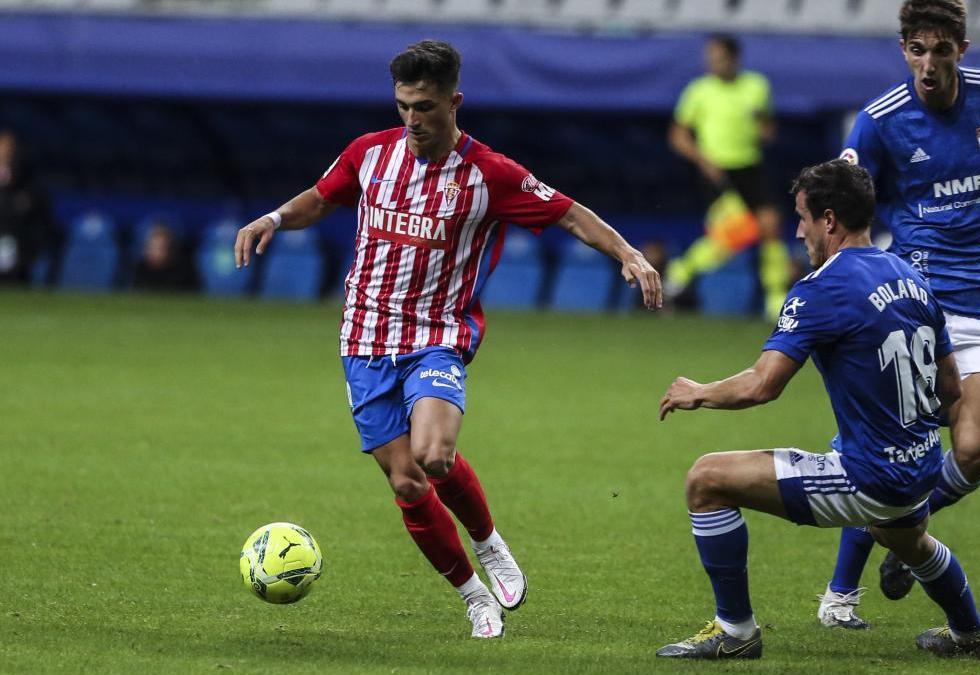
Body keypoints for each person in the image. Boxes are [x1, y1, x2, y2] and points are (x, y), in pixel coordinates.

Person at [233, 40, 662, 639]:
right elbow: (322, 197)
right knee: (406, 480)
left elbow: (567, 212)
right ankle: (472, 595)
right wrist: (273, 218)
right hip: (363, 337)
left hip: (437, 334)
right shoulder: (370, 153)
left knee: (435, 455)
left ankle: (488, 543)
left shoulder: (490, 173)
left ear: (454, 102)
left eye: (425, 106)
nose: (412, 119)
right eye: (404, 105)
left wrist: (629, 254)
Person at [655, 159, 980, 661]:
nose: (798, 231)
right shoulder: (909, 274)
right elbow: (951, 390)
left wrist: (698, 391)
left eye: (803, 218)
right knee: (910, 543)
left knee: (706, 479)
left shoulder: (822, 288)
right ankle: (972, 634)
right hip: (923, 467)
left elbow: (761, 385)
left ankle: (735, 632)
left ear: (830, 220)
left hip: (872, 477)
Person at [815, 0, 980, 629]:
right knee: (890, 456)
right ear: (903, 52)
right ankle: (841, 595)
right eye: (916, 50)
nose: (928, 63)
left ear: (962, 50)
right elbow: (844, 207)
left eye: (940, 50)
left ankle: (907, 535)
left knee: (979, 445)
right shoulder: (877, 123)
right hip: (915, 304)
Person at [667, 34, 790, 317]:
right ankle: (683, 269)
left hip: (750, 167)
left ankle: (775, 298)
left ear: (734, 59)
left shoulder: (756, 86)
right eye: (710, 58)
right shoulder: (698, 91)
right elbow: (678, 136)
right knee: (735, 233)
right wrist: (702, 159)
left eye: (719, 58)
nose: (713, 64)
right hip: (718, 171)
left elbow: (767, 128)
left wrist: (763, 132)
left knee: (770, 225)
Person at [0, 128, 60, 284]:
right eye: (3, 148)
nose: (6, 153)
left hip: (19, 247)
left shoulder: (29, 182)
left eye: (10, 149)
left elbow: (42, 219)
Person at [132, 222, 197, 292]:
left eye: (160, 248)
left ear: (170, 249)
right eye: (153, 247)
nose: (156, 252)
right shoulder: (141, 269)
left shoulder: (182, 271)